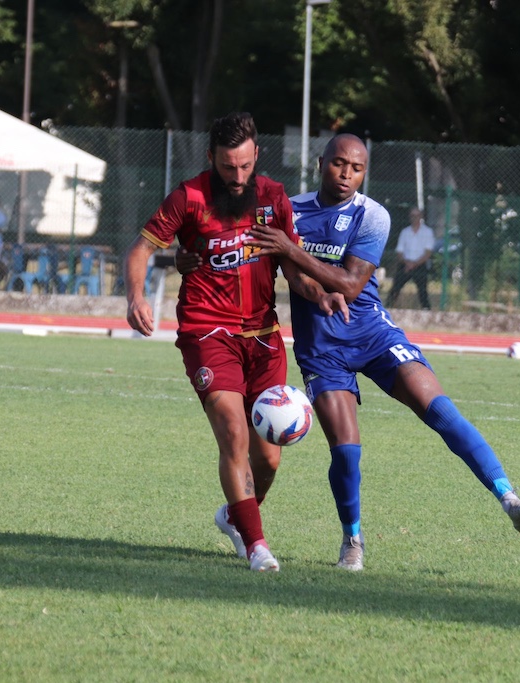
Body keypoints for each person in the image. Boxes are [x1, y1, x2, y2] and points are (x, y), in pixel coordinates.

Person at [206, 134, 520, 572]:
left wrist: (290, 248)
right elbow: (257, 259)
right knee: (347, 449)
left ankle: (510, 500)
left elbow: (349, 285)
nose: (347, 174)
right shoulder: (289, 210)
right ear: (320, 163)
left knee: (440, 410)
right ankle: (353, 540)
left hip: (373, 333)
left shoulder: (372, 216)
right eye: (338, 164)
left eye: (357, 167)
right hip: (322, 350)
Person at [123, 112, 347, 573]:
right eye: (229, 167)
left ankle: (236, 517)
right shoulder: (189, 197)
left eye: (246, 166)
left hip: (263, 336)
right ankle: (257, 545)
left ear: (257, 156)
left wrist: (320, 294)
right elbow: (142, 249)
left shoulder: (274, 198)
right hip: (208, 331)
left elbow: (292, 267)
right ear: (212, 159)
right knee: (233, 430)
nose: (239, 177)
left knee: (269, 455)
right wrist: (136, 297)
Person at [386, 207, 435, 310]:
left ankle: (426, 311)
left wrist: (415, 264)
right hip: (405, 264)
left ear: (421, 216)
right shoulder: (405, 232)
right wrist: (407, 263)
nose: (415, 218)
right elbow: (399, 251)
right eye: (412, 216)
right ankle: (388, 308)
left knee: (422, 291)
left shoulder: (428, 232)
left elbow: (428, 253)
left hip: (420, 264)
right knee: (395, 288)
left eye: (417, 215)